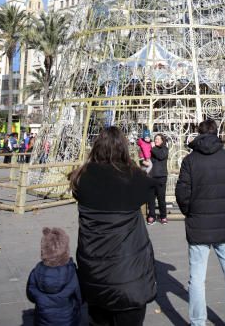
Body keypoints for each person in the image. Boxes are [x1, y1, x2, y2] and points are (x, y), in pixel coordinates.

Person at [70, 126, 156, 326]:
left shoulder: (81, 177)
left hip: (94, 275)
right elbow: (150, 191)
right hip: (130, 277)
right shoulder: (133, 177)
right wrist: (145, 170)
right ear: (123, 148)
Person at [175, 118, 225, 326]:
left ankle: (197, 322)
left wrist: (190, 211)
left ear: (199, 134)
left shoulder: (190, 161)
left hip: (198, 226)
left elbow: (181, 192)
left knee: (197, 278)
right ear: (216, 133)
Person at [27, 227, 82, 326]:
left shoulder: (35, 272)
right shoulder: (73, 273)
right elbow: (80, 297)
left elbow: (31, 295)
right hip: (68, 320)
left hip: (42, 321)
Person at [147, 133, 168, 225]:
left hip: (161, 177)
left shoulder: (164, 149)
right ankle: (151, 216)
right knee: (151, 198)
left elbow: (161, 156)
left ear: (162, 140)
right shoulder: (151, 149)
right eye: (155, 139)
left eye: (158, 139)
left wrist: (153, 148)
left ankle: (163, 216)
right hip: (151, 177)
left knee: (161, 198)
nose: (156, 140)